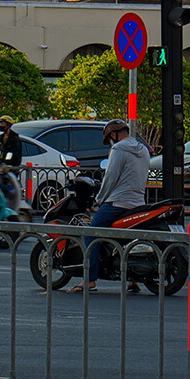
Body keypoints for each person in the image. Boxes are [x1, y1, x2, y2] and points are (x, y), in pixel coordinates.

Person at [68, 118, 149, 294]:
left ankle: (89, 280)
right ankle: (133, 279)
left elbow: (111, 177)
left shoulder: (118, 149)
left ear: (113, 134)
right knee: (127, 240)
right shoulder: (143, 150)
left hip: (118, 202)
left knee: (91, 234)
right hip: (138, 203)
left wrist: (100, 198)